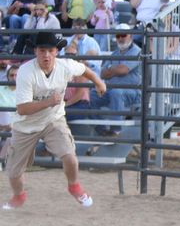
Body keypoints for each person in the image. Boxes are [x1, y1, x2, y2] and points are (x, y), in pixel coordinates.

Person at [2, 32, 107, 210]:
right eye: (42, 50)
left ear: (57, 51)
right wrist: (49, 102)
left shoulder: (65, 65)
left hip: (53, 120)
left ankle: (74, 187)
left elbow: (84, 69)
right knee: (13, 172)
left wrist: (99, 82)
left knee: (70, 157)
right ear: (35, 51)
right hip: (26, 125)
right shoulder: (26, 72)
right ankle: (19, 196)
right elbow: (22, 109)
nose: (46, 55)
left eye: (50, 50)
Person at [88, 23, 141, 137]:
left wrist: (110, 69)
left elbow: (123, 70)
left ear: (130, 36)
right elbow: (102, 73)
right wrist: (114, 70)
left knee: (116, 93)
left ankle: (116, 130)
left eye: (123, 35)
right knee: (90, 96)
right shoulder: (115, 53)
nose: (121, 38)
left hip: (133, 92)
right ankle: (102, 130)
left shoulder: (137, 51)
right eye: (118, 36)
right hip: (113, 90)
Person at [62, 43, 90, 121]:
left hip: (80, 103)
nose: (70, 58)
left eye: (72, 55)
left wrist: (64, 105)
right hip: (67, 102)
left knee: (59, 115)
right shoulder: (63, 70)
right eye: (67, 55)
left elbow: (79, 95)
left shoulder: (81, 70)